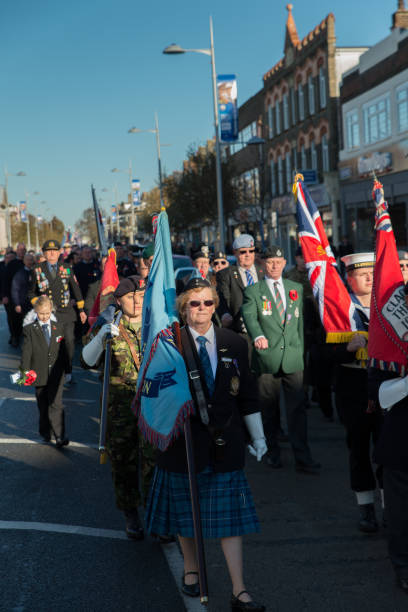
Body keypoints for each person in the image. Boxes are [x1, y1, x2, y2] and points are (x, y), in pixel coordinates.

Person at [145, 278, 266, 611]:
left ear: (216, 305)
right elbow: (152, 392)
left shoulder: (235, 342)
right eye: (194, 303)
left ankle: (240, 590)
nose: (201, 309)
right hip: (182, 442)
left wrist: (259, 436)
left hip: (226, 442)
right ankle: (190, 568)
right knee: (187, 515)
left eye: (208, 303)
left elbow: (248, 394)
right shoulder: (169, 343)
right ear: (183, 306)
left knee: (231, 523)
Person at [81, 275, 156, 540]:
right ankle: (130, 513)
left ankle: (156, 515)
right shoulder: (109, 324)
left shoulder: (156, 325)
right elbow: (87, 361)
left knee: (154, 463)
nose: (136, 302)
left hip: (153, 406)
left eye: (141, 296)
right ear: (118, 300)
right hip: (120, 409)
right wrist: (101, 337)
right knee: (124, 462)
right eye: (129, 297)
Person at [241, 246, 319, 474]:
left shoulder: (294, 288)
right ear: (262, 264)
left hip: (293, 357)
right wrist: (258, 336)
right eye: (270, 262)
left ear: (285, 263)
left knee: (297, 411)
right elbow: (250, 316)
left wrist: (301, 353)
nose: (274, 266)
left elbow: (299, 326)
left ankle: (303, 457)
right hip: (267, 357)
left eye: (278, 261)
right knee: (269, 409)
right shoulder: (253, 291)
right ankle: (272, 453)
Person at [332, 252, 383, 533]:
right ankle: (367, 509)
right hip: (353, 387)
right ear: (349, 279)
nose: (368, 278)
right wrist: (345, 349)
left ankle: (391, 507)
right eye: (361, 274)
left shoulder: (388, 306)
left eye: (372, 273)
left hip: (385, 384)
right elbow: (319, 353)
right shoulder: (338, 310)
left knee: (389, 449)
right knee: (360, 449)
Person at [28, 239, 87, 384]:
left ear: (60, 252)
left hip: (66, 313)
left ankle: (68, 370)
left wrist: (81, 310)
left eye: (55, 250)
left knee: (69, 343)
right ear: (44, 253)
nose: (52, 253)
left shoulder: (66, 267)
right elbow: (31, 293)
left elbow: (76, 289)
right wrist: (39, 306)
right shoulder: (37, 269)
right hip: (48, 315)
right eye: (48, 251)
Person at [19, 295, 69, 447]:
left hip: (56, 374)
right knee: (43, 405)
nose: (45, 316)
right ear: (36, 312)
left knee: (56, 404)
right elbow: (26, 352)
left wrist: (68, 370)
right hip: (39, 373)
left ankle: (60, 436)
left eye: (47, 313)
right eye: (41, 313)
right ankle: (45, 431)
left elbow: (64, 351)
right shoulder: (29, 330)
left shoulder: (58, 327)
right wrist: (24, 373)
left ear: (51, 311)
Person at [375, 371, 408, 594]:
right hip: (402, 440)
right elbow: (381, 396)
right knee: (400, 511)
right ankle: (404, 567)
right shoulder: (391, 340)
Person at [216, 234, 263, 349]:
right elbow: (223, 299)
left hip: (264, 330)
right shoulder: (226, 274)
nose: (248, 255)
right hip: (240, 332)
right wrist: (225, 314)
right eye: (243, 252)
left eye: (251, 251)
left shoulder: (263, 271)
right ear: (235, 253)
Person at [2, 243, 26, 347]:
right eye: (19, 249)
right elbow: (5, 281)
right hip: (12, 296)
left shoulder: (28, 262)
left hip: (25, 297)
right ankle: (14, 336)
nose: (21, 251)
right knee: (13, 318)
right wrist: (5, 295)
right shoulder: (12, 263)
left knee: (24, 318)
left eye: (23, 249)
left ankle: (21, 336)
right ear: (17, 251)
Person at [11, 252, 35, 345]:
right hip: (24, 304)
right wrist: (17, 304)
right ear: (24, 261)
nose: (30, 261)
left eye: (31, 259)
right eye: (28, 260)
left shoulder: (37, 272)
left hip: (36, 304)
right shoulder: (19, 274)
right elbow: (15, 290)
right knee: (27, 325)